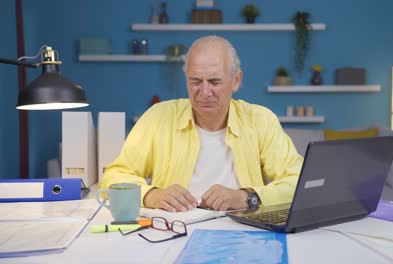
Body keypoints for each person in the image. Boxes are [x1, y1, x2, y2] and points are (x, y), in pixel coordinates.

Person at [99, 36, 303, 212]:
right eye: (195, 81)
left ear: (236, 80)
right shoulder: (158, 117)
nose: (204, 93)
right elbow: (113, 177)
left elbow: (299, 182)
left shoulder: (261, 120)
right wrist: (152, 195)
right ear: (186, 79)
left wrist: (246, 197)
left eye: (215, 82)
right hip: (174, 229)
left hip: (245, 227)